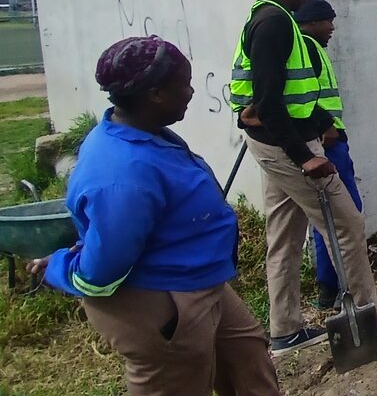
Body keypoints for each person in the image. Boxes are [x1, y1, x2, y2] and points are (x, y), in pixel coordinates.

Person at [28, 36, 280, 395]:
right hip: (164, 302)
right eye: (184, 85)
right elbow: (101, 271)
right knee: (177, 380)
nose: (192, 92)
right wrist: (58, 267)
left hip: (199, 280)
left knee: (247, 362)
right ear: (155, 95)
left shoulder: (145, 134)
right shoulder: (122, 174)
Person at [230, 0, 377, 356]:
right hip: (287, 148)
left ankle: (286, 330)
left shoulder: (268, 19)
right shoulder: (274, 22)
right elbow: (268, 102)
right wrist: (305, 155)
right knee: (346, 222)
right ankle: (369, 311)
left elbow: (272, 99)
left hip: (277, 143)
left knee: (284, 236)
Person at [295, 0, 364, 310]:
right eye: (327, 21)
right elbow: (300, 99)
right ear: (310, 22)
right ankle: (338, 289)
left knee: (333, 216)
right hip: (326, 146)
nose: (332, 27)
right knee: (339, 217)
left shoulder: (310, 49)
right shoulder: (305, 48)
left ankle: (332, 287)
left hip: (330, 143)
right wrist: (325, 130)